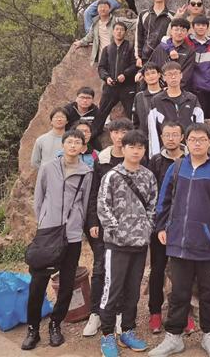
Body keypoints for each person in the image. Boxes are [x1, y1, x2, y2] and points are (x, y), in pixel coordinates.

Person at [149, 123, 210, 357]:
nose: (197, 143)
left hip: (209, 245)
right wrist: (161, 226)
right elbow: (164, 200)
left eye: (202, 139)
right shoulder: (177, 167)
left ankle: (209, 335)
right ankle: (174, 337)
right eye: (192, 139)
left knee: (209, 293)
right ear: (185, 142)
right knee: (179, 293)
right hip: (179, 243)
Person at [22, 129, 92, 351]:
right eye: (69, 142)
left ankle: (55, 324)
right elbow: (39, 197)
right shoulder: (48, 167)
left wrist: (78, 224)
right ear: (63, 145)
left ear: (83, 147)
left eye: (77, 142)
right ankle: (33, 329)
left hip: (72, 235)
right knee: (38, 281)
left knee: (67, 282)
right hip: (48, 231)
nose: (73, 145)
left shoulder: (86, 172)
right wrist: (44, 221)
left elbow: (85, 202)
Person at [96, 129, 158, 357]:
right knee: (112, 290)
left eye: (140, 147)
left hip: (140, 244)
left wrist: (147, 229)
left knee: (133, 291)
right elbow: (103, 206)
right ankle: (107, 334)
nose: (136, 151)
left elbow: (153, 206)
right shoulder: (111, 176)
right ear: (123, 148)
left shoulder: (148, 176)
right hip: (117, 245)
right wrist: (117, 231)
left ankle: (127, 330)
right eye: (132, 147)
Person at [83, 119, 135, 337]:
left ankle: (120, 313)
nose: (120, 136)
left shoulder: (136, 158)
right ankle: (96, 313)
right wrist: (93, 221)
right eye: (116, 132)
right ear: (110, 134)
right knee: (100, 268)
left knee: (124, 270)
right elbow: (94, 192)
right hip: (104, 224)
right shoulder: (102, 159)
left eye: (124, 132)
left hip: (128, 224)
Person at [147, 122, 194, 335]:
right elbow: (151, 193)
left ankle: (184, 314)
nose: (171, 139)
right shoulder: (155, 161)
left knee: (183, 272)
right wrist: (156, 224)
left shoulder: (191, 159)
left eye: (175, 134)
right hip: (160, 224)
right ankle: (155, 312)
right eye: (167, 135)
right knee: (157, 269)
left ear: (182, 137)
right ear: (161, 137)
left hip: (185, 224)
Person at [145, 62, 204, 157]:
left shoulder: (192, 99)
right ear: (163, 77)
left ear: (181, 75)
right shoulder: (156, 101)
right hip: (165, 151)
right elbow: (152, 130)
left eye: (176, 73)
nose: (173, 77)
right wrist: (155, 156)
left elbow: (200, 126)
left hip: (189, 151)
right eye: (169, 74)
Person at [93, 21, 137, 138]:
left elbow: (135, 65)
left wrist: (125, 74)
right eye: (117, 29)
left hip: (127, 86)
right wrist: (106, 77)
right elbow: (101, 67)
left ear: (125, 32)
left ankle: (136, 137)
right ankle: (93, 136)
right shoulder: (107, 49)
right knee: (101, 112)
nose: (119, 32)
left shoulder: (131, 47)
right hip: (111, 86)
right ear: (113, 32)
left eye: (121, 30)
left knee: (133, 114)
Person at [145, 18, 196, 89]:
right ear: (171, 31)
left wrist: (172, 88)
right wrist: (141, 72)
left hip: (178, 89)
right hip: (158, 88)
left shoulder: (190, 51)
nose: (179, 32)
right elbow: (151, 64)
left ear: (187, 33)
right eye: (176, 29)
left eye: (183, 30)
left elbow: (186, 74)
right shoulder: (160, 47)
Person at [135, 0, 174, 67]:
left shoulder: (172, 15)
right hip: (146, 56)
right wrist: (138, 57)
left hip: (165, 55)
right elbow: (138, 36)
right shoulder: (143, 14)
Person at [75, 0, 118, 64]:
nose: (102, 9)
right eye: (100, 7)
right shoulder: (95, 24)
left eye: (105, 7)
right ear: (97, 10)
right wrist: (80, 42)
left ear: (109, 9)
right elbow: (89, 37)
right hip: (103, 60)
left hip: (115, 58)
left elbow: (132, 23)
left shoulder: (116, 21)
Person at [132, 64, 163, 132]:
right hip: (144, 135)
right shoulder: (139, 97)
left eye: (153, 73)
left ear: (159, 75)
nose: (151, 76)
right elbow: (135, 121)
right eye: (147, 74)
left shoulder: (166, 94)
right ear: (144, 78)